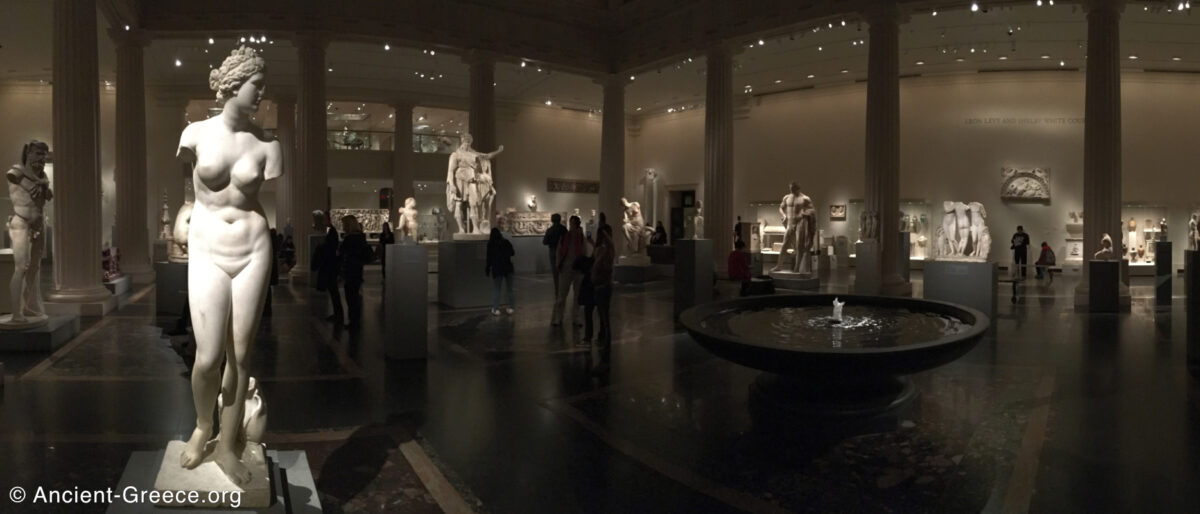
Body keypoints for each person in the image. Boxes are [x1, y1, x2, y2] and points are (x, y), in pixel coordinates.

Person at [175, 46, 281, 484]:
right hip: (207, 247)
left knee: (241, 354)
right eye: (256, 87)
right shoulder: (195, 134)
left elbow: (261, 192)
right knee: (207, 357)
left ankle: (229, 444)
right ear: (234, 87)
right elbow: (191, 190)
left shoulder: (268, 146)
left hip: (254, 247)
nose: (261, 95)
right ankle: (204, 426)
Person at [6, 140, 52, 325]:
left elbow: (47, 195)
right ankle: (16, 312)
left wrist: (45, 185)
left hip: (38, 224)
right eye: (38, 153)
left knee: (34, 267)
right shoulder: (16, 171)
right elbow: (17, 179)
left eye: (44, 154)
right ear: (28, 153)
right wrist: (40, 184)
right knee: (21, 267)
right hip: (21, 223)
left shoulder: (42, 177)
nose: (42, 158)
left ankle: (25, 305)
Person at [339, 215, 373, 330]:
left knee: (350, 297)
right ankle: (355, 321)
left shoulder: (349, 239)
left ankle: (353, 321)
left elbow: (342, 252)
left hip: (350, 270)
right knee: (354, 296)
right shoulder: (361, 238)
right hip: (357, 270)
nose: (342, 226)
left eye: (344, 224)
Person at [552, 215, 587, 326]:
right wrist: (559, 265)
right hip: (566, 269)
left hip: (577, 270)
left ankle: (575, 318)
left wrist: (583, 267)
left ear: (577, 225)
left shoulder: (581, 238)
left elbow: (584, 252)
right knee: (562, 295)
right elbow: (559, 251)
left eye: (573, 224)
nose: (571, 226)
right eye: (570, 223)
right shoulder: (565, 237)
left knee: (577, 296)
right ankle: (558, 317)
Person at [591, 224, 616, 374]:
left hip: (603, 288)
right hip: (599, 288)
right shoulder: (602, 250)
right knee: (602, 319)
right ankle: (604, 356)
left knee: (605, 321)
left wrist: (605, 233)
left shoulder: (608, 251)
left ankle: (606, 358)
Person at [311, 210, 344, 326]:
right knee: (333, 291)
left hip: (330, 267)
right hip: (331, 266)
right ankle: (337, 314)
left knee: (333, 291)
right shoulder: (332, 232)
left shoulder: (332, 232)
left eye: (325, 218)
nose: (323, 221)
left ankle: (339, 315)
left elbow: (329, 249)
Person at [486, 228, 516, 315]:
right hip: (508, 267)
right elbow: (513, 252)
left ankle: (496, 309)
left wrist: (487, 268)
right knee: (510, 289)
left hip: (497, 268)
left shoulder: (491, 244)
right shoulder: (506, 242)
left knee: (497, 289)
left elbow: (489, 258)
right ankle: (511, 307)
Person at [542, 213, 567, 290]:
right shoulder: (563, 229)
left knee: (555, 271)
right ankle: (563, 288)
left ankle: (557, 288)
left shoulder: (550, 230)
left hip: (553, 250)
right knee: (563, 270)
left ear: (552, 220)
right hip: (563, 251)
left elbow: (544, 242)